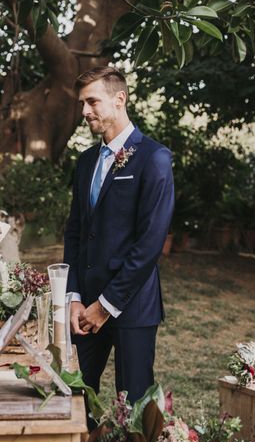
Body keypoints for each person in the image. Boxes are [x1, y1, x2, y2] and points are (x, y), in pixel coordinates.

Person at [63, 67, 174, 419]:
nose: (85, 111)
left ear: (119, 99)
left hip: (131, 304)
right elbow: (76, 233)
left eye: (92, 101)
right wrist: (75, 298)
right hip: (84, 310)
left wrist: (105, 305)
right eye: (82, 103)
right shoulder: (85, 163)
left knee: (136, 411)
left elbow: (150, 244)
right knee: (75, 397)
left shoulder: (154, 158)